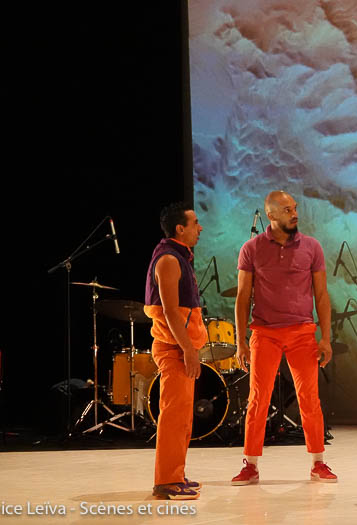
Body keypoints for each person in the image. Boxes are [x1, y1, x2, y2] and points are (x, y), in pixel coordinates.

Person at [230, 191, 337, 485]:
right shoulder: (251, 248)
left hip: (302, 332)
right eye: (287, 209)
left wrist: (325, 338)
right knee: (257, 399)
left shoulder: (312, 247)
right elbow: (242, 296)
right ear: (271, 215)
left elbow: (321, 295)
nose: (294, 213)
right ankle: (250, 464)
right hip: (264, 333)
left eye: (295, 208)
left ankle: (318, 462)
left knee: (309, 399)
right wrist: (240, 341)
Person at [143, 202, 207, 500]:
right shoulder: (169, 259)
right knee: (173, 416)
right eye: (195, 223)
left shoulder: (178, 256)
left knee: (182, 417)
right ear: (180, 228)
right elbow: (169, 311)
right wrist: (188, 349)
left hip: (179, 345)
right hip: (173, 347)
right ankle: (167, 481)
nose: (200, 228)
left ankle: (175, 474)